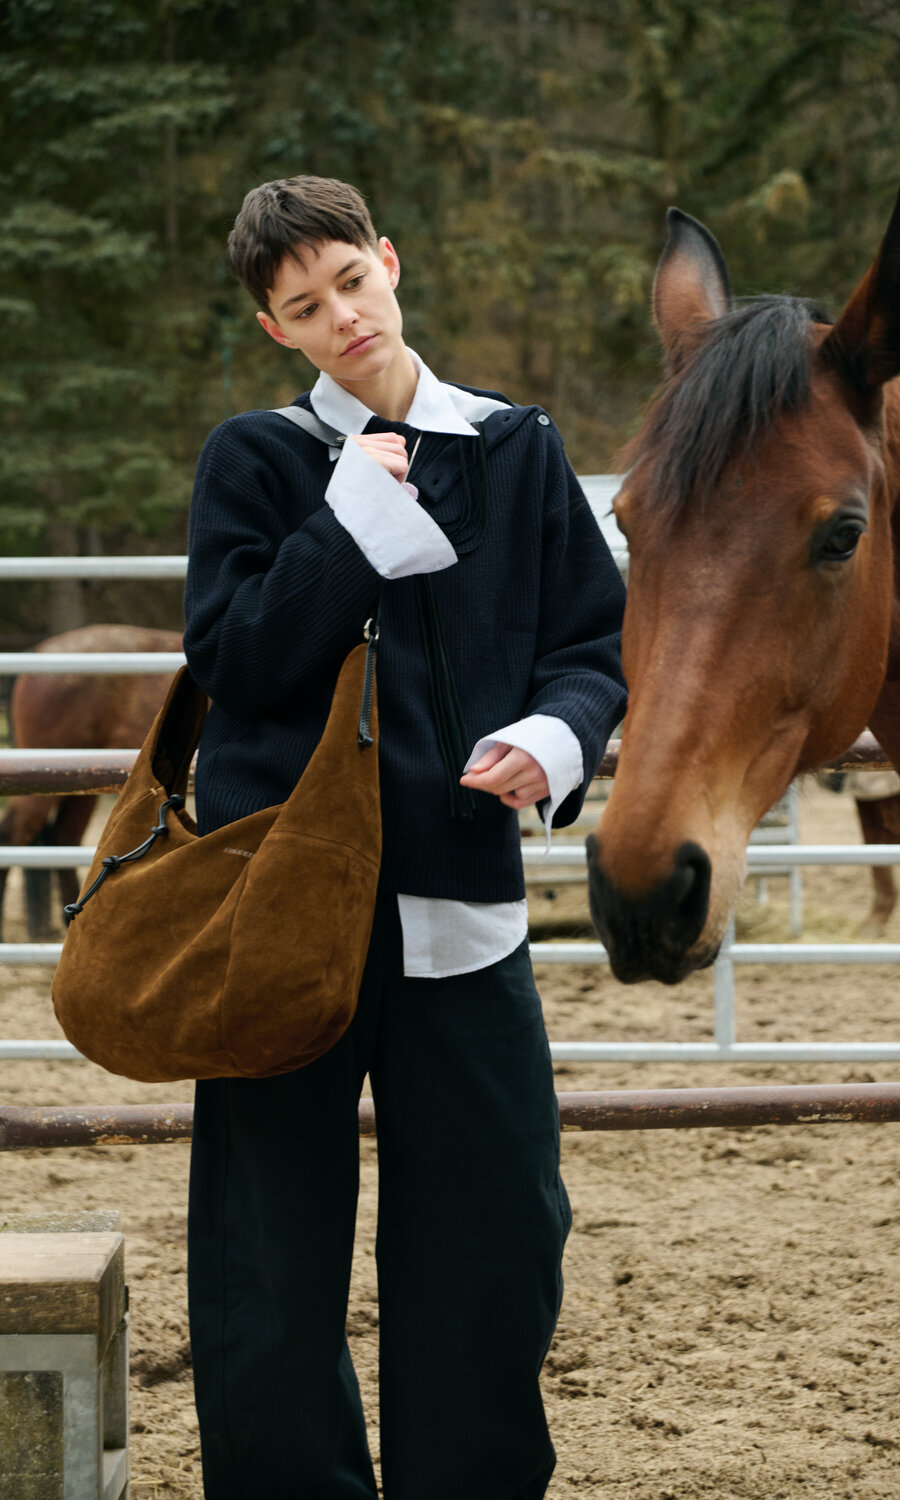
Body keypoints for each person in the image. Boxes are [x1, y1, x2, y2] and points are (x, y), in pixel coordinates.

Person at [183, 174, 627, 1500]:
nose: (341, 318)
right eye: (304, 308)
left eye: (350, 284)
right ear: (278, 331)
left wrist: (555, 740)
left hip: (465, 922)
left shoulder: (519, 445)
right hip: (283, 927)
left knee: (499, 1244)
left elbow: (593, 648)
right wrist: (352, 520)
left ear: (389, 261)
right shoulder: (254, 462)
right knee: (272, 1266)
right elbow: (237, 661)